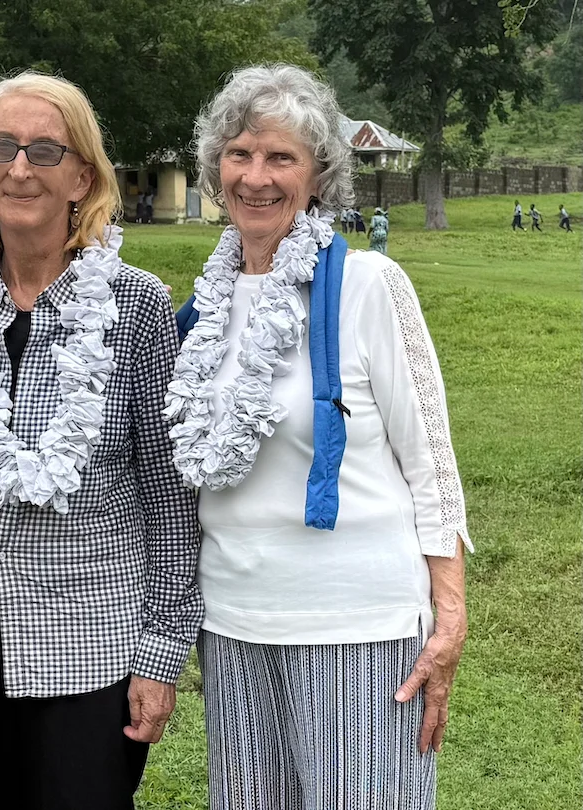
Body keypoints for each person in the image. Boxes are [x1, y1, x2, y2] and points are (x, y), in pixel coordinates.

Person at [169, 64, 471, 810]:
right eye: (239, 154)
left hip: (358, 624)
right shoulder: (201, 311)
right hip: (234, 624)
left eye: (281, 157)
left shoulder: (368, 285)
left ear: (319, 175)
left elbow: (431, 460)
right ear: (216, 168)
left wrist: (450, 616)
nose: (256, 177)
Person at [0, 71, 202, 810]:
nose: (19, 168)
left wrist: (161, 654)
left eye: (45, 151)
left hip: (90, 651)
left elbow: (170, 497)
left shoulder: (134, 306)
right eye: (0, 147)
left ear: (83, 178)